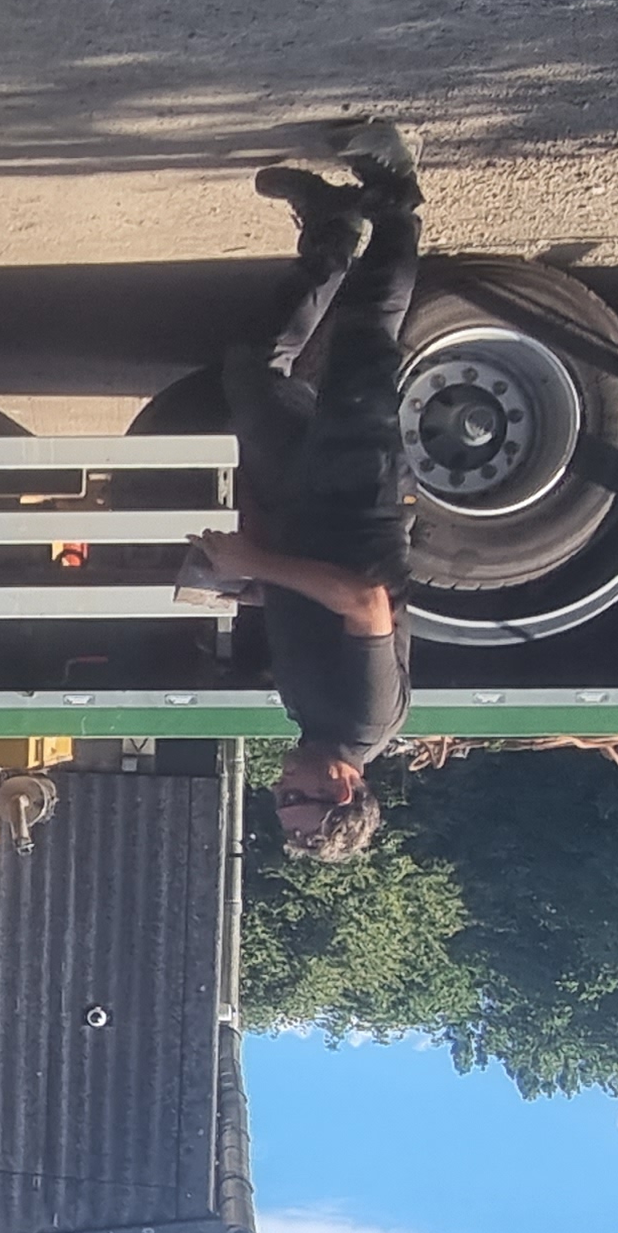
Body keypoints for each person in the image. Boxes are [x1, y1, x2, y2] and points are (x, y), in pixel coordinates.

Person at [185, 119, 421, 863]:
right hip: (353, 500)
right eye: (297, 798)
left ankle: (330, 232)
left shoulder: (307, 718)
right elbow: (365, 604)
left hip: (297, 503)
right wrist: (256, 558)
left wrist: (240, 585)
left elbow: (306, 609)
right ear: (345, 789)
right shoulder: (366, 717)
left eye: (278, 802)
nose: (282, 788)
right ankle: (394, 195)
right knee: (364, 338)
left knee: (251, 372)